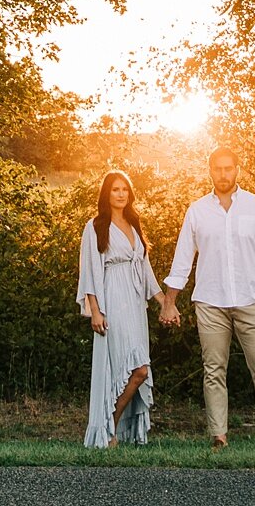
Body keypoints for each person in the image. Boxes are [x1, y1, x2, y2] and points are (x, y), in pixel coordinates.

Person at [157, 146, 255, 449]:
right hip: (211, 302)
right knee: (213, 370)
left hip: (250, 300)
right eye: (218, 169)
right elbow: (183, 258)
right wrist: (170, 300)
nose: (224, 174)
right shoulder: (198, 210)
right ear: (210, 171)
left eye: (229, 168)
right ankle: (219, 436)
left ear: (237, 169)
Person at [75, 168, 159, 448]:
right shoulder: (96, 226)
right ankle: (107, 426)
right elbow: (90, 270)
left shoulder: (134, 223)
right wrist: (95, 310)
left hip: (135, 303)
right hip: (112, 297)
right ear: (106, 194)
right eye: (115, 189)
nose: (121, 194)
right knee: (137, 369)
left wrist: (165, 301)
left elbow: (145, 269)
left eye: (125, 189)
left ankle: (112, 425)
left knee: (140, 369)